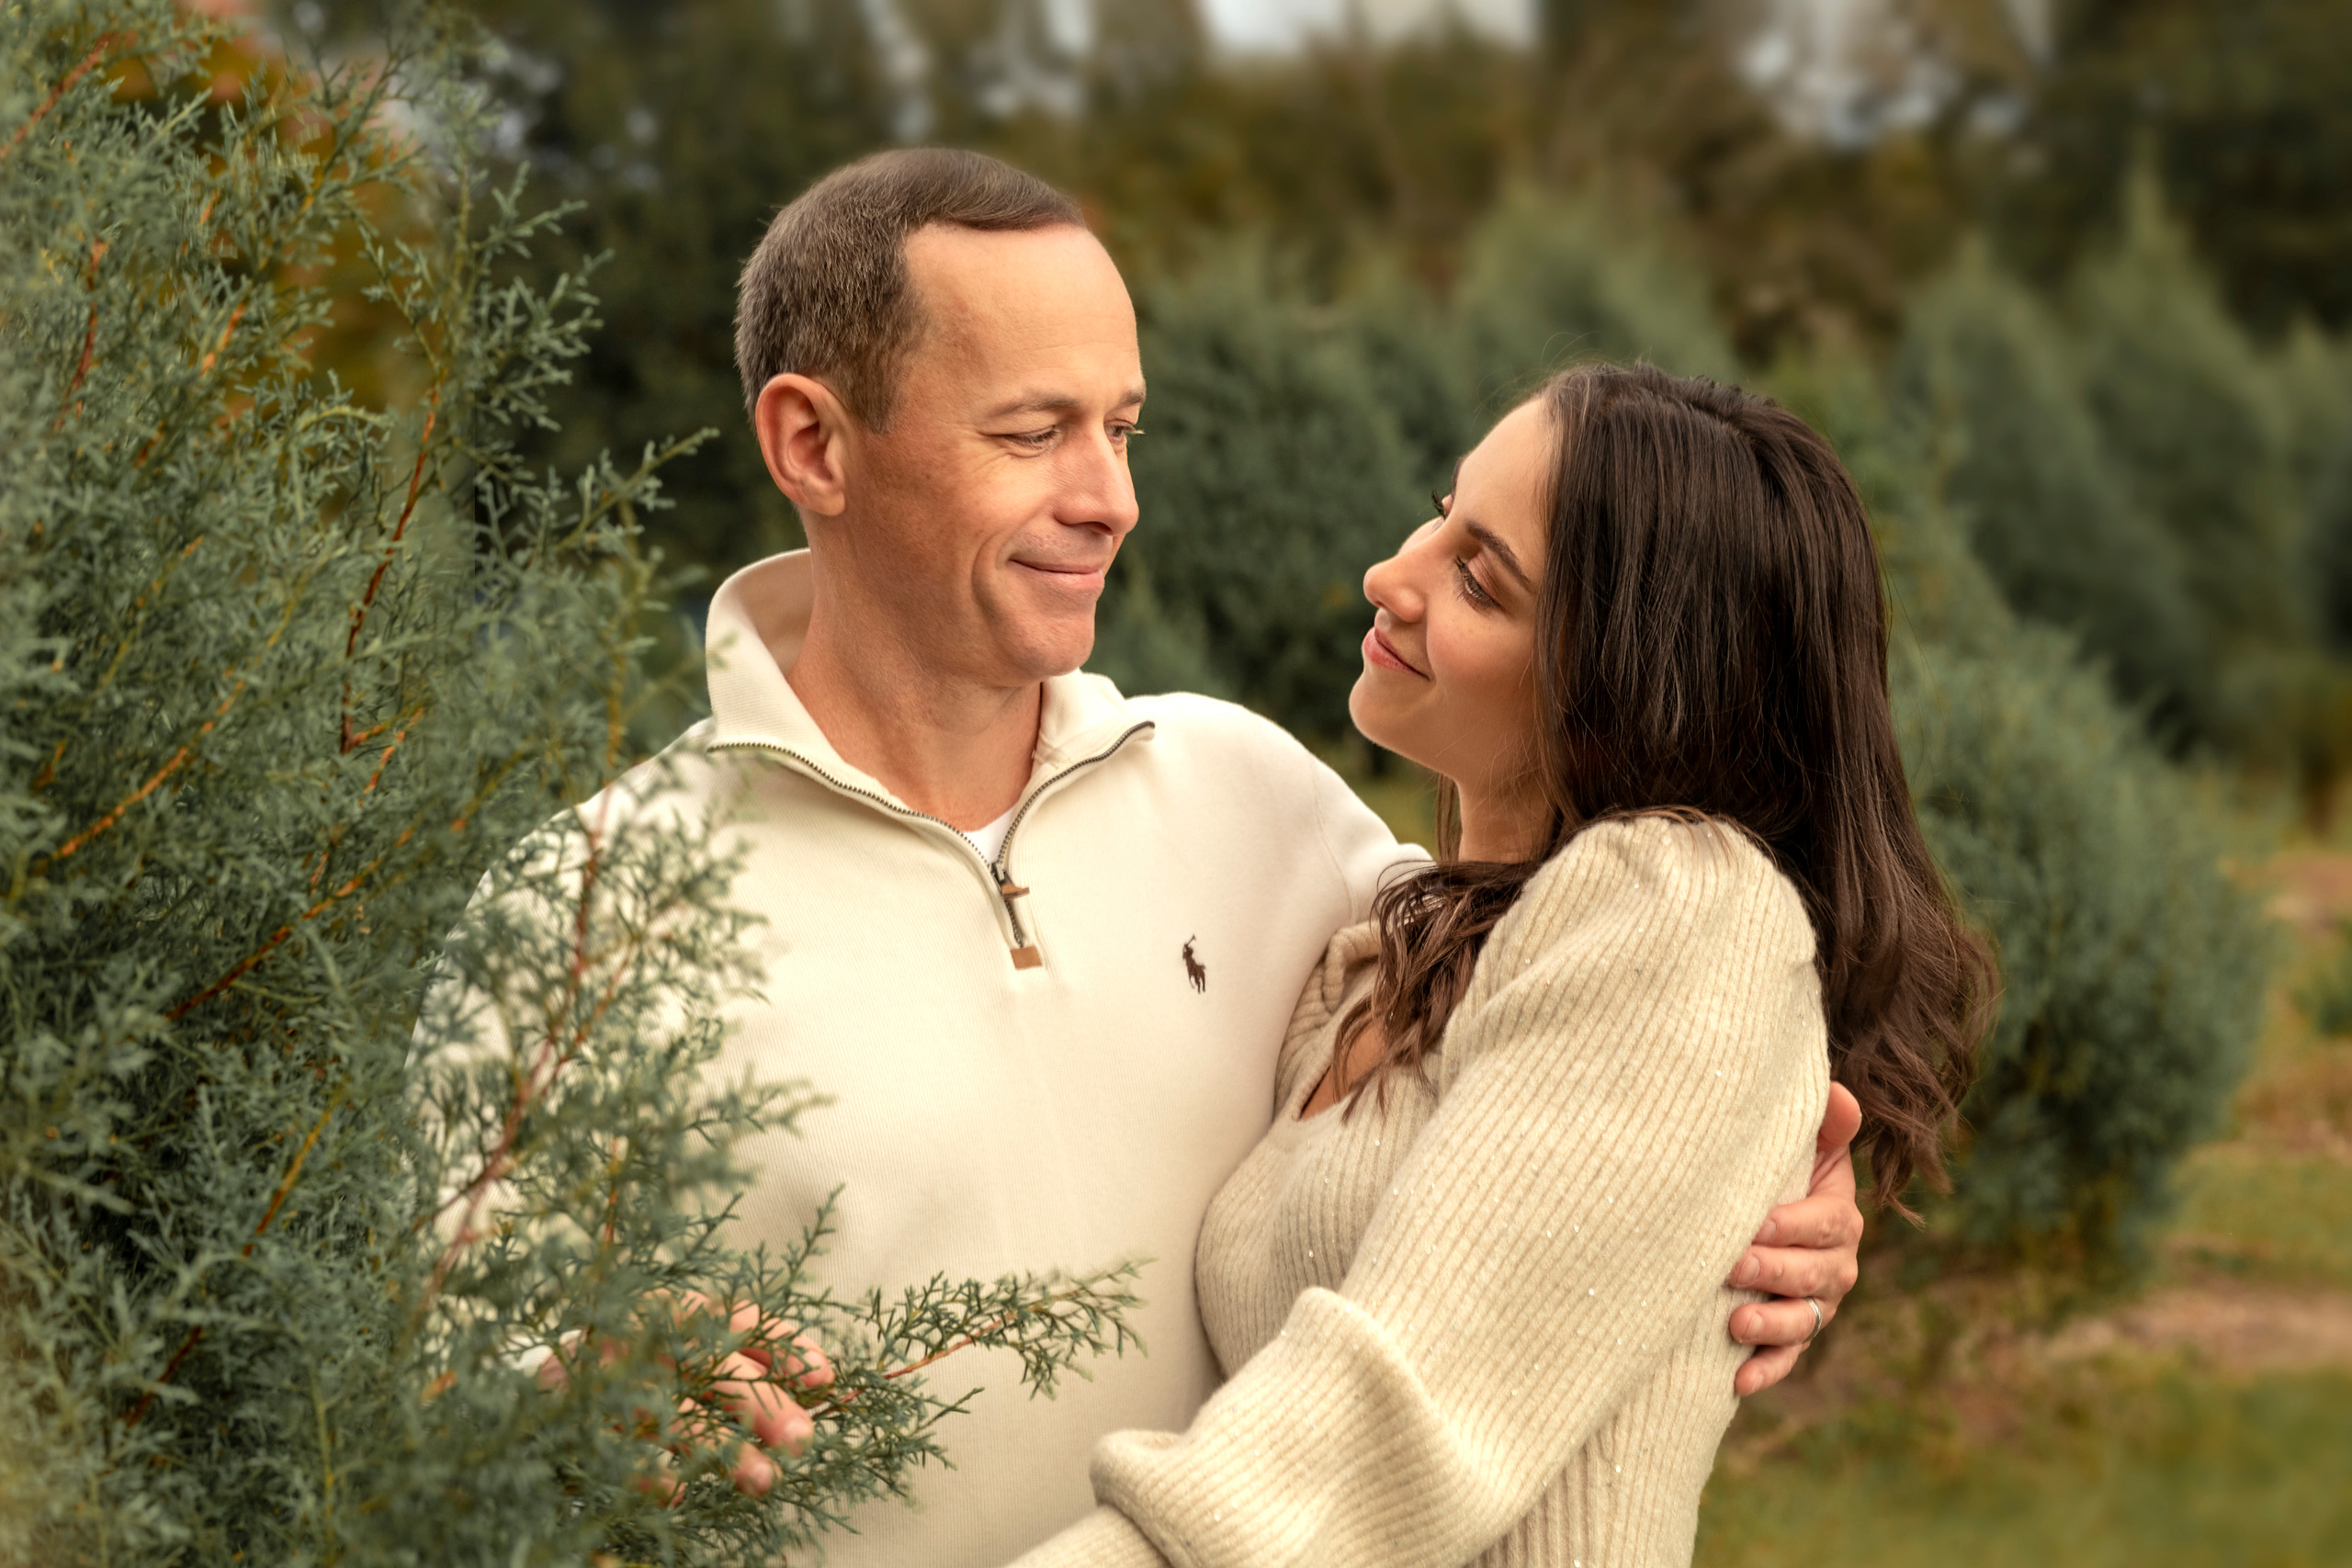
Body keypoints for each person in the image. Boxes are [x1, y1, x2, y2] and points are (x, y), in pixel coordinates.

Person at [528, 150, 1868, 1564]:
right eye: (1035, 430)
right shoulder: (587, 908)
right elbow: (398, 1393)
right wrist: (559, 1397)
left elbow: (1601, 1138)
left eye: (1124, 428)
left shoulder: (1255, 797)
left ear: (1630, 674)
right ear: (813, 445)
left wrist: (1766, 1189)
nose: (1114, 497)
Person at [1002, 365, 1996, 1567]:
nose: (1392, 575)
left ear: (1628, 686)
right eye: (1442, 511)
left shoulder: (1689, 916)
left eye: (1480, 578)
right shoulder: (1379, 956)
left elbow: (1395, 1424)